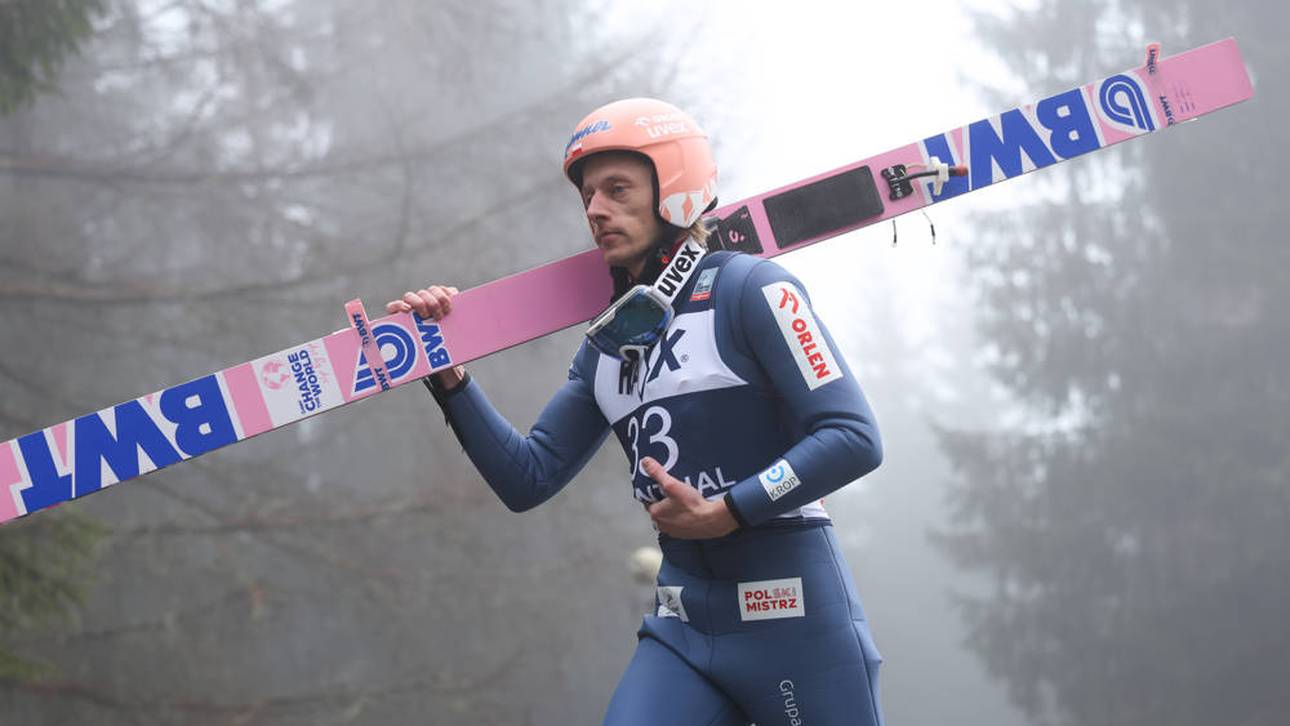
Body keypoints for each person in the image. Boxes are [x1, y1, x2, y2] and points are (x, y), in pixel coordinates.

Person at [387, 98, 885, 725]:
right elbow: (527, 477)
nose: (596, 210)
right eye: (588, 196)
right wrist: (449, 375)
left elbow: (853, 436)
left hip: (794, 618)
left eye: (617, 189)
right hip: (683, 626)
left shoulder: (753, 290)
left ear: (675, 188)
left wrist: (730, 509)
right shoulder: (608, 344)